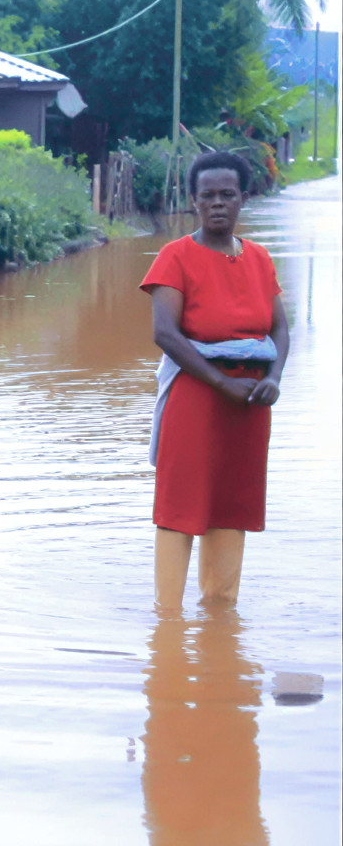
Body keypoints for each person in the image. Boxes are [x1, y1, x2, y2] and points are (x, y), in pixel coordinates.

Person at [140, 150, 289, 608]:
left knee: (232, 501)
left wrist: (274, 378)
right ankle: (167, 616)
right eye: (208, 195)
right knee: (181, 503)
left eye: (228, 194)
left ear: (244, 198)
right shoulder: (176, 256)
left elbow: (280, 327)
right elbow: (165, 333)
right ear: (193, 201)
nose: (218, 203)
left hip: (250, 403)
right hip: (198, 394)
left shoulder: (260, 259)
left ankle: (220, 616)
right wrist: (222, 384)